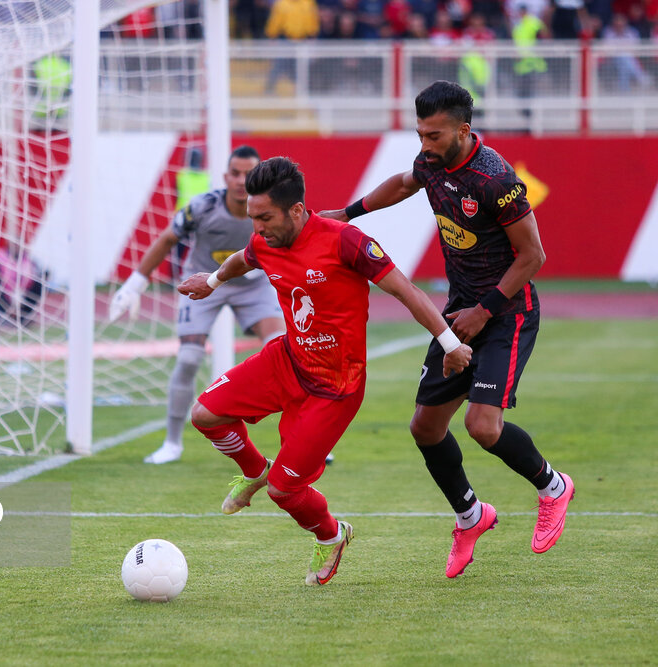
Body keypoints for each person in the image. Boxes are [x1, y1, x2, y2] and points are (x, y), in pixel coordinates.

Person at [320, 80, 574, 578]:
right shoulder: (430, 162)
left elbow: (533, 256)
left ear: (464, 128)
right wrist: (347, 216)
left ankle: (553, 487)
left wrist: (484, 310)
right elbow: (403, 182)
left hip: (506, 314)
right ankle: (471, 516)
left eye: (434, 135)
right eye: (420, 134)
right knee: (425, 426)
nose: (425, 145)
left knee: (482, 426)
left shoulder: (497, 180)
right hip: (460, 310)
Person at [180, 157, 472, 586]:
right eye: (252, 218)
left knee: (284, 492)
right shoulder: (265, 241)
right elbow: (244, 258)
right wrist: (214, 281)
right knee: (205, 415)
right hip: (287, 361)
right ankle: (253, 469)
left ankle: (331, 535)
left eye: (265, 217)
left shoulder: (346, 241)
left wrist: (451, 343)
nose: (257, 228)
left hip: (335, 388)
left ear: (296, 210)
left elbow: (406, 291)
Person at [109, 146, 284, 464]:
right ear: (225, 176)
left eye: (249, 174)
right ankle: (172, 443)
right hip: (204, 283)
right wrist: (135, 284)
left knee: (284, 352)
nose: (241, 180)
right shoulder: (202, 206)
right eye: (235, 173)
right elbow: (165, 240)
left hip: (252, 286)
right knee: (189, 357)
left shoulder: (272, 208)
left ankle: (302, 440)